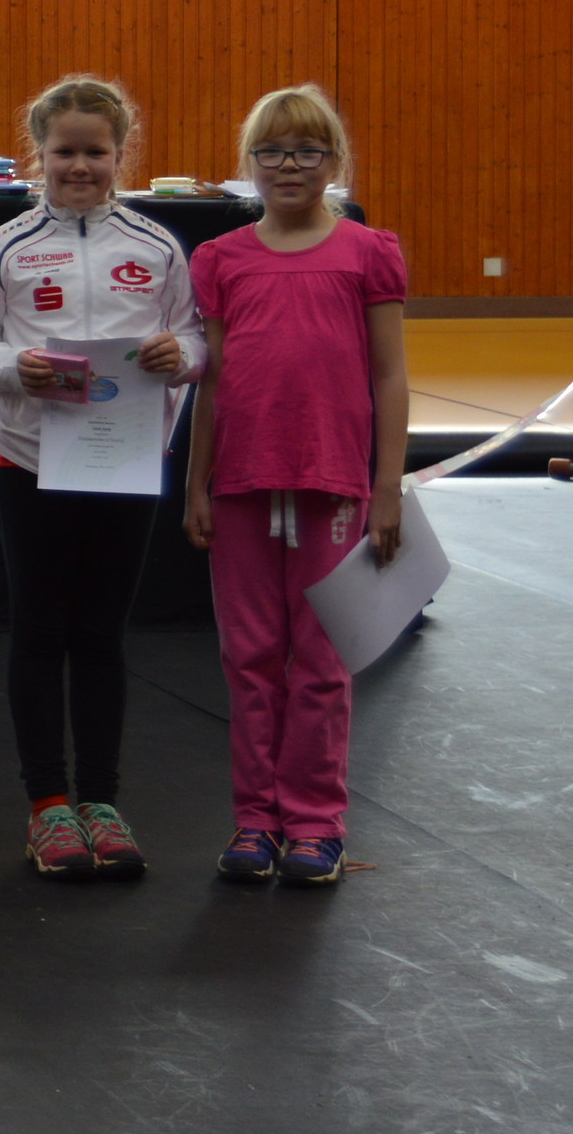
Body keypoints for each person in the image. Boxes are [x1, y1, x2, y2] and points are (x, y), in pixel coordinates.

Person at [0, 76, 202, 880]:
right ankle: (47, 806)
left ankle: (101, 803)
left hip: (125, 463)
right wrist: (14, 366)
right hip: (28, 463)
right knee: (39, 630)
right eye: (64, 152)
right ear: (39, 154)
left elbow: (197, 339)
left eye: (96, 152)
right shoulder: (6, 246)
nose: (80, 166)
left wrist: (182, 356)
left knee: (99, 635)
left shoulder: (157, 247)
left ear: (121, 155)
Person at [183, 84, 408, 887]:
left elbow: (389, 373)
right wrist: (197, 486)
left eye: (308, 151)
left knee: (321, 659)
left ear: (333, 161)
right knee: (249, 656)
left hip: (333, 486)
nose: (289, 166)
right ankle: (256, 820)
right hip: (242, 485)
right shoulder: (221, 259)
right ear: (250, 163)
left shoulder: (367, 252)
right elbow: (212, 382)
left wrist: (386, 487)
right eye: (273, 151)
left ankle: (316, 822)